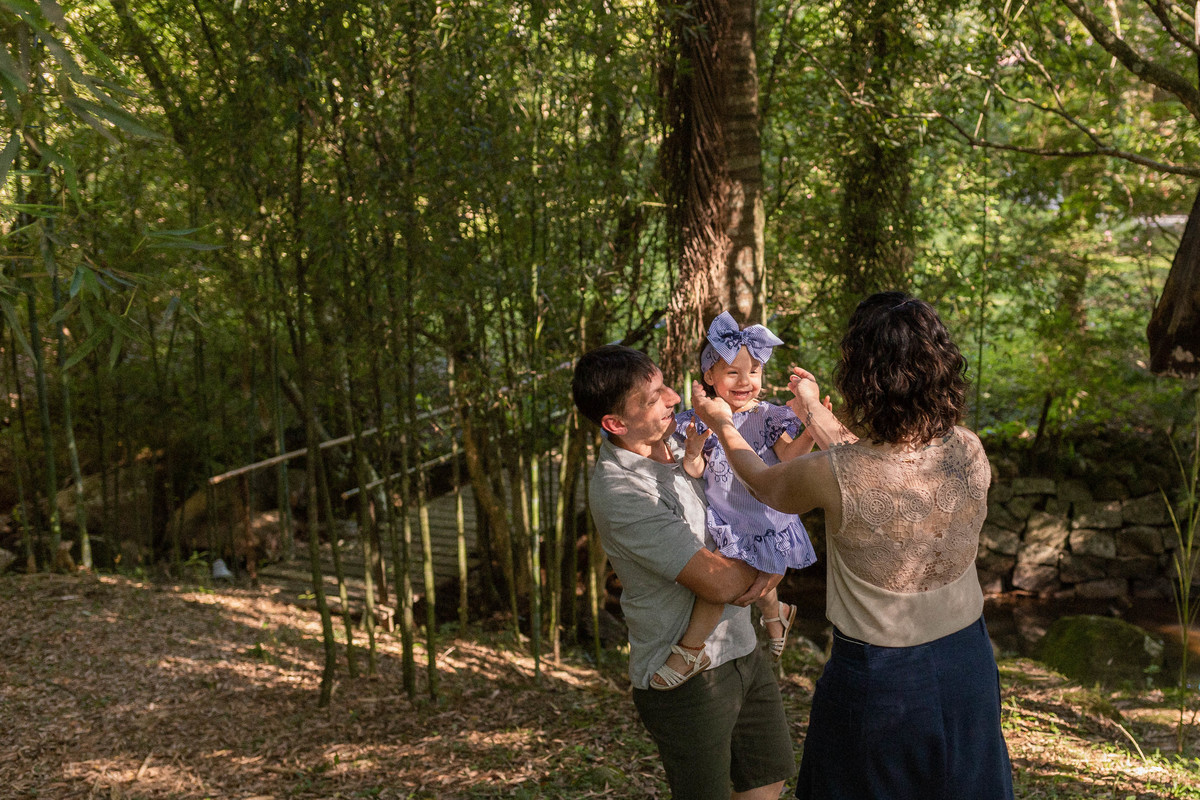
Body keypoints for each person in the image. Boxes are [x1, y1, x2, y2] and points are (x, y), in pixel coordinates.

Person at [692, 292, 1015, 800]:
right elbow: (879, 460)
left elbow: (765, 482)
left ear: (864, 379)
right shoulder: (968, 447)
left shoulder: (833, 472)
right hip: (969, 662)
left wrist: (723, 425)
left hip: (879, 680)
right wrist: (811, 409)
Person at [571, 344, 793, 800]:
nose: (673, 398)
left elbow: (758, 480)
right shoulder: (621, 491)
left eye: (665, 386)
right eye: (653, 398)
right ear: (615, 424)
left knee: (767, 780)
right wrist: (774, 555)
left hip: (742, 646)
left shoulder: (681, 437)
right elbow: (721, 582)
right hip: (688, 676)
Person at [652, 312, 824, 689]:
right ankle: (777, 614)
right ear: (709, 376)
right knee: (753, 575)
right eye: (733, 372)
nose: (745, 381)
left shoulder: (768, 416)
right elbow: (695, 470)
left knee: (726, 577)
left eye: (754, 372)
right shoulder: (702, 418)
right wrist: (693, 450)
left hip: (765, 514)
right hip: (730, 517)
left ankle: (691, 649)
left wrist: (811, 431)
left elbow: (789, 458)